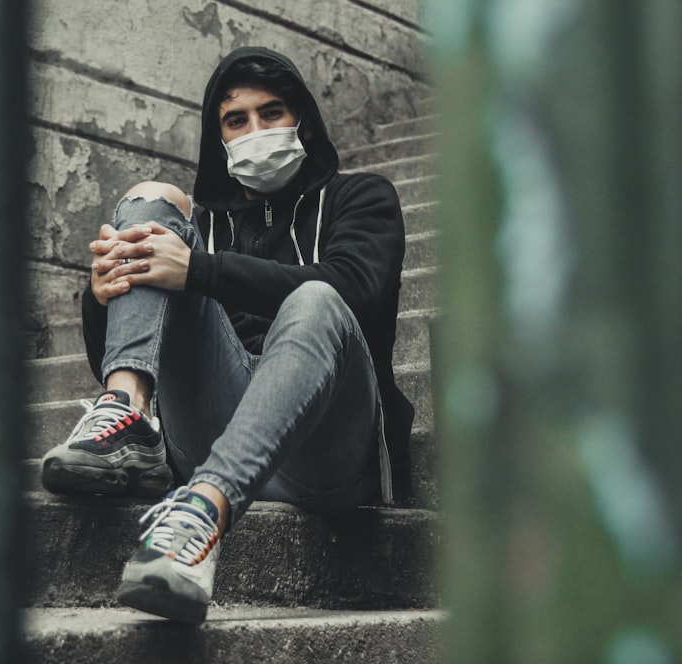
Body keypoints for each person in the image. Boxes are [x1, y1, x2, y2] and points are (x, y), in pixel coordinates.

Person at [39, 46, 414, 624]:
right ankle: (127, 416)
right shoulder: (202, 226)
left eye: (272, 113)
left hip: (327, 449)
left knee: (313, 299)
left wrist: (199, 270)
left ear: (303, 123)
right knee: (150, 201)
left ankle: (199, 519)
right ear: (219, 137)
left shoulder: (360, 197)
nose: (255, 130)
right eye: (236, 120)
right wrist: (104, 292)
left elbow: (357, 290)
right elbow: (125, 346)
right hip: (213, 425)